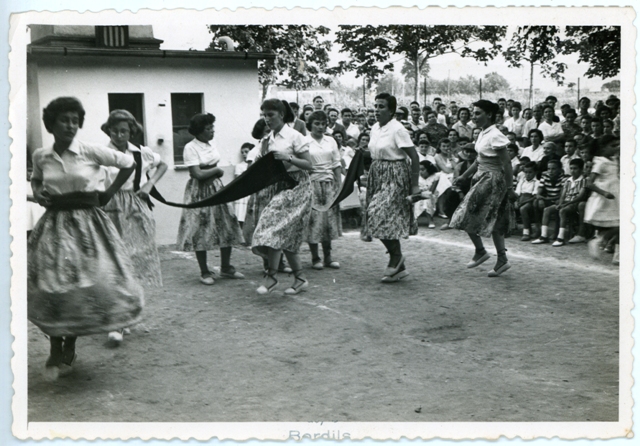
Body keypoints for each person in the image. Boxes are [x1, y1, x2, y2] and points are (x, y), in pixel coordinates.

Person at [28, 97, 142, 380]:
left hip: (88, 226)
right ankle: (55, 347)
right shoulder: (41, 155)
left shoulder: (90, 151)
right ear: (51, 124)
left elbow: (129, 162)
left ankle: (71, 342)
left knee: (85, 285)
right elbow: (37, 179)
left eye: (75, 121)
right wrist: (39, 190)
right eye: (64, 120)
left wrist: (109, 191)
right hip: (54, 226)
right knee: (51, 286)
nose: (70, 125)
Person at [101, 109, 167, 345]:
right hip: (108, 207)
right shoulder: (101, 153)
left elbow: (163, 165)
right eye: (115, 130)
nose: (120, 135)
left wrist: (149, 183)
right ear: (108, 130)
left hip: (135, 208)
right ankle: (117, 319)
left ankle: (124, 316)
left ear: (131, 131)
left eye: (125, 131)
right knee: (113, 262)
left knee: (134, 261)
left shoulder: (140, 153)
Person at [252, 99, 314, 295]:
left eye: (270, 115)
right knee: (284, 235)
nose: (267, 119)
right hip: (278, 187)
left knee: (274, 229)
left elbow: (308, 164)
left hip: (298, 187)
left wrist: (287, 157)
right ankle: (300, 278)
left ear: (281, 114)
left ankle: (271, 276)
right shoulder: (267, 140)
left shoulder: (294, 136)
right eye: (264, 115)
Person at [450, 99, 517, 277]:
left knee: (463, 214)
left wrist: (510, 188)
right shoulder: (482, 133)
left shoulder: (495, 134)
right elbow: (479, 159)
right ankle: (502, 260)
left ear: (489, 114)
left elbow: (507, 164)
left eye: (478, 113)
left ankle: (480, 251)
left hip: (492, 180)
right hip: (482, 177)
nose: (474, 116)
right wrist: (464, 176)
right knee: (495, 220)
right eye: (473, 113)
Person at [176, 113, 245, 285]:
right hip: (199, 191)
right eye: (208, 129)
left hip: (216, 188)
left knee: (226, 223)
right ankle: (204, 271)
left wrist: (215, 173)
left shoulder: (211, 144)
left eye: (212, 127)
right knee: (201, 228)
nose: (212, 131)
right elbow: (196, 173)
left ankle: (226, 267)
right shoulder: (190, 148)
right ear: (199, 131)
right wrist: (216, 171)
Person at [361, 93, 420, 283]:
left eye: (382, 107)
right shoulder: (374, 128)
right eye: (376, 106)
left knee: (380, 213)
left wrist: (415, 184)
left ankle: (395, 257)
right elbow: (376, 151)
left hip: (395, 175)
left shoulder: (398, 129)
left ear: (392, 110)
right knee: (377, 216)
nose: (377, 110)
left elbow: (414, 157)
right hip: (377, 173)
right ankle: (399, 267)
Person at [303, 110, 343, 270]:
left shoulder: (331, 141)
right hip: (311, 184)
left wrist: (338, 184)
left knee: (328, 222)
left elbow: (336, 163)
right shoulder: (304, 141)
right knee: (314, 221)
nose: (320, 127)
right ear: (310, 125)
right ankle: (315, 257)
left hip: (329, 184)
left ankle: (328, 257)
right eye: (317, 124)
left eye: (323, 124)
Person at [583, 135, 620, 254]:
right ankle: (599, 241)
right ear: (603, 148)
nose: (616, 148)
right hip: (605, 200)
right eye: (613, 146)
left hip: (616, 197)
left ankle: (617, 254)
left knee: (621, 225)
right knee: (620, 225)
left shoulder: (614, 160)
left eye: (617, 145)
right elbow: (589, 183)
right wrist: (604, 193)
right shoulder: (600, 162)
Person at [531, 159, 567, 244]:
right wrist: (540, 199)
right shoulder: (545, 176)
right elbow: (539, 191)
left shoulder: (563, 178)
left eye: (553, 169)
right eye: (549, 169)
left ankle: (555, 232)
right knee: (536, 202)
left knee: (554, 206)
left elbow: (562, 195)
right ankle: (540, 230)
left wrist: (546, 199)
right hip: (549, 199)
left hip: (559, 201)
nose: (550, 171)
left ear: (559, 169)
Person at [552, 158, 587, 246]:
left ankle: (560, 238)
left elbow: (580, 196)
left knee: (562, 210)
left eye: (575, 168)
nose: (572, 171)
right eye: (571, 168)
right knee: (547, 210)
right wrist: (560, 203)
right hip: (566, 202)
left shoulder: (583, 180)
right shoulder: (568, 180)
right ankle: (543, 235)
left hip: (575, 203)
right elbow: (563, 194)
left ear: (581, 169)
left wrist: (565, 204)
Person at [515, 161, 539, 241]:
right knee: (509, 205)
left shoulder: (537, 182)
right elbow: (517, 192)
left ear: (535, 172)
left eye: (530, 172)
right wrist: (516, 201)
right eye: (526, 172)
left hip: (530, 201)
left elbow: (535, 196)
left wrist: (523, 202)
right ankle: (508, 228)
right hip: (520, 199)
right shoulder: (522, 181)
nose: (528, 174)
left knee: (523, 209)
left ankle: (526, 232)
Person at [414, 158, 441, 228]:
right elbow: (414, 188)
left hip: (431, 195)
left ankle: (430, 220)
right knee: (418, 198)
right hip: (417, 194)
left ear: (428, 169)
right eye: (419, 169)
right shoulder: (417, 176)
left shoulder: (435, 176)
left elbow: (431, 190)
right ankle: (414, 219)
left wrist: (421, 191)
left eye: (423, 170)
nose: (420, 171)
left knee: (426, 198)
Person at [234, 142, 254, 228]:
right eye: (242, 152)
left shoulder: (255, 163)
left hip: (253, 191)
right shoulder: (239, 166)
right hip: (243, 193)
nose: (244, 154)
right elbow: (239, 180)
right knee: (241, 215)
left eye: (246, 152)